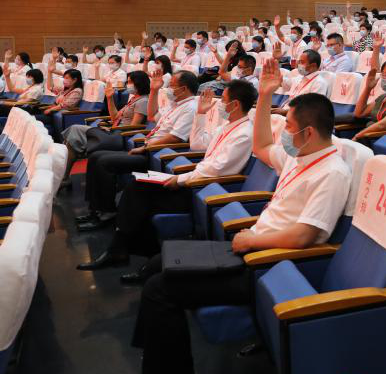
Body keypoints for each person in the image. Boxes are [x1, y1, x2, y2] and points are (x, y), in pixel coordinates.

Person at [110, 60, 350, 374]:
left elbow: (305, 236)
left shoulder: (332, 173)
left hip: (265, 265)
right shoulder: (300, 157)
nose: (284, 133)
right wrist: (264, 96)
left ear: (309, 133)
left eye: (289, 127)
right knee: (163, 262)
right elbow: (261, 145)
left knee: (160, 289)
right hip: (251, 248)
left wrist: (252, 240)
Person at [80, 81, 259, 275]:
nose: (219, 104)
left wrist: (180, 179)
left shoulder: (244, 134)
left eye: (222, 100)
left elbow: (216, 170)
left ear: (235, 105)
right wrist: (200, 114)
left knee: (140, 195)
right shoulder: (227, 126)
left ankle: (129, 253)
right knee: (137, 186)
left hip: (204, 191)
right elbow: (197, 145)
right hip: (195, 180)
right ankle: (128, 251)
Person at [77, 70, 199, 235]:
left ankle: (107, 212)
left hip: (155, 155)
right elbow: (152, 116)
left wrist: (145, 147)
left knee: (104, 162)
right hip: (148, 148)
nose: (169, 89)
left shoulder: (190, 108)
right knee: (95, 157)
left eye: (171, 85)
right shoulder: (176, 104)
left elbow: (176, 137)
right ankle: (95, 210)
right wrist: (154, 91)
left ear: (183, 89)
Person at [61, 70, 151, 188]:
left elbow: (134, 127)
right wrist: (109, 98)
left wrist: (111, 129)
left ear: (139, 83)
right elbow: (115, 117)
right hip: (114, 131)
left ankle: (65, 177)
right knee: (72, 141)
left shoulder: (143, 101)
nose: (127, 84)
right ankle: (66, 177)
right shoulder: (134, 99)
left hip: (120, 136)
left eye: (130, 82)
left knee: (75, 130)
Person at [271, 49, 331, 115]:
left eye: (302, 62)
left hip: (298, 117)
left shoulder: (319, 83)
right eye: (299, 62)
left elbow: (312, 109)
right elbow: (281, 81)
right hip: (285, 111)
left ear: (313, 65)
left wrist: (285, 112)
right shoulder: (299, 78)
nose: (298, 65)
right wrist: (276, 60)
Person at [37, 67, 84, 139]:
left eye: (67, 78)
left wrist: (50, 109)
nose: (64, 80)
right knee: (32, 119)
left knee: (34, 119)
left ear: (75, 80)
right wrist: (49, 72)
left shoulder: (77, 91)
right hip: (53, 114)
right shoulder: (65, 89)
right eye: (64, 78)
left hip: (60, 115)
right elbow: (50, 87)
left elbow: (65, 105)